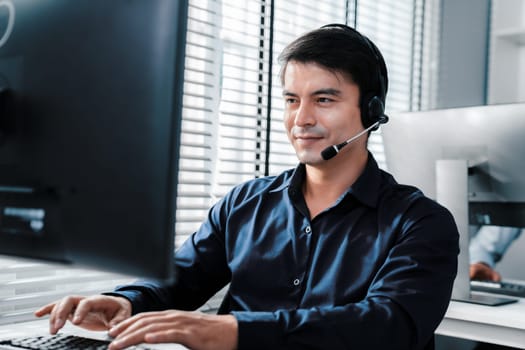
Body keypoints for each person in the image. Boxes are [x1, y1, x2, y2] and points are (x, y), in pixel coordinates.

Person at [35, 24, 459, 350]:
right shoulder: (245, 203)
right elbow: (181, 280)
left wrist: (234, 330)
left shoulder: (421, 223)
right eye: (292, 100)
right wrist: (127, 301)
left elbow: (389, 325)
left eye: (324, 100)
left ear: (371, 111)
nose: (301, 119)